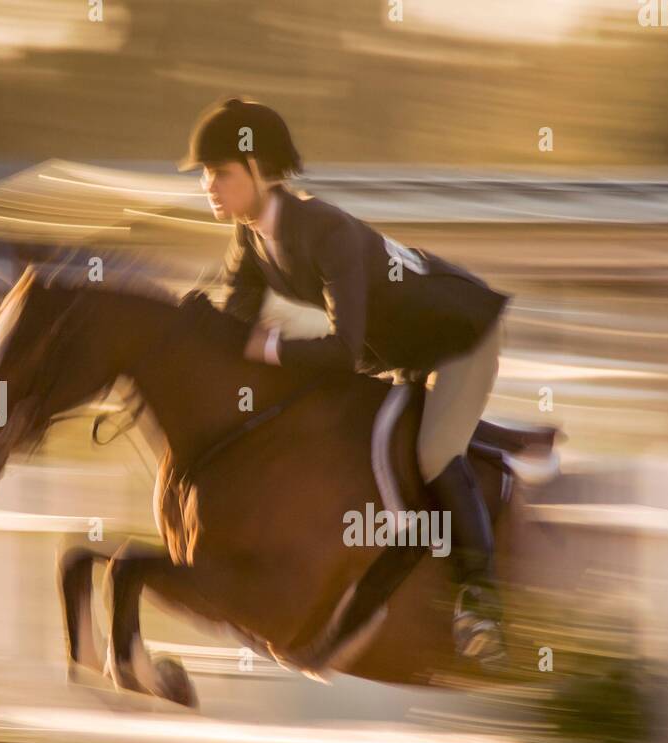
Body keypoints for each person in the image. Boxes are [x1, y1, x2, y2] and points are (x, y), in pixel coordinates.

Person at [180, 96, 511, 665]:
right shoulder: (251, 238)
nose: (208, 185)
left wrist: (270, 345)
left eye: (220, 173)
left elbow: (342, 351)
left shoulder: (324, 229)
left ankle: (478, 600)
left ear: (258, 171)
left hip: (461, 340)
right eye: (206, 174)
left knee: (434, 452)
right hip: (403, 352)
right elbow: (235, 336)